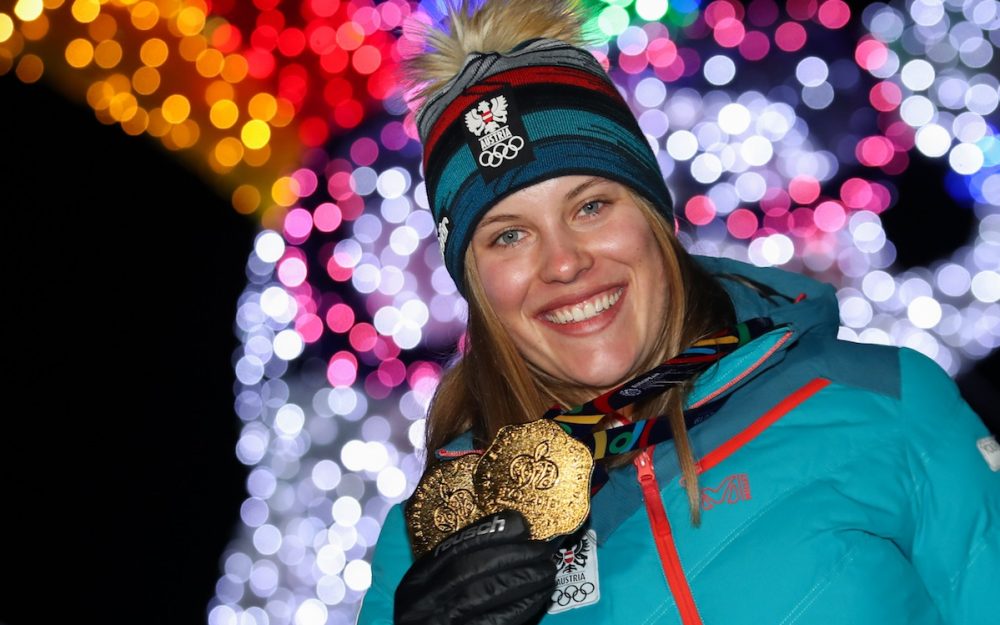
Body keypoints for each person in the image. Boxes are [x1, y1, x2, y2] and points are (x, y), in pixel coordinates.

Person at [357, 1, 1000, 623]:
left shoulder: (885, 400)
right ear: (475, 288)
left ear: (656, 220)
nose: (562, 263)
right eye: (508, 236)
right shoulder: (434, 541)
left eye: (591, 207)